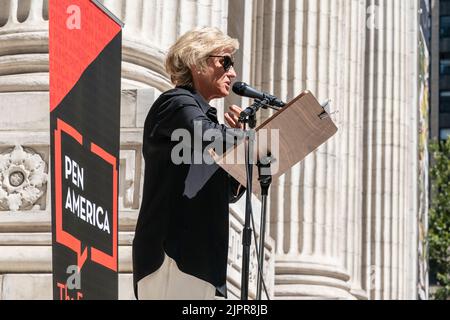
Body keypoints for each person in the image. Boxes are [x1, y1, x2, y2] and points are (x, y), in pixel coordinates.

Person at [132, 27, 246, 300]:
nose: (233, 73)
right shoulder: (175, 103)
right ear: (197, 61)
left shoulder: (206, 120)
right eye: (225, 61)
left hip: (202, 263)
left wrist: (242, 147)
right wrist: (240, 138)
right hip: (174, 257)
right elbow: (205, 136)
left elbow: (228, 189)